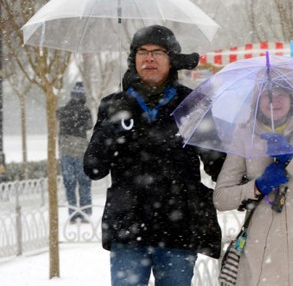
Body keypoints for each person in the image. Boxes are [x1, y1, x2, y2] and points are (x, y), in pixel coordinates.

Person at [83, 25, 225, 286]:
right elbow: (94, 168)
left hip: (179, 229)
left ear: (172, 60)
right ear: (133, 59)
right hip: (128, 229)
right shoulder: (113, 105)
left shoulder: (192, 104)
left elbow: (218, 164)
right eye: (142, 52)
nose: (149, 59)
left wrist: (253, 179)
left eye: (158, 52)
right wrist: (112, 124)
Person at [213, 79, 293, 285]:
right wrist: (258, 186)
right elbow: (221, 198)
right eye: (267, 94)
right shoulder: (244, 133)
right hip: (262, 243)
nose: (274, 100)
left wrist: (291, 158)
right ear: (257, 99)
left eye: (282, 94)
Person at [57, 81, 93, 224]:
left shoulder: (62, 110)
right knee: (84, 182)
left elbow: (59, 121)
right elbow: (89, 126)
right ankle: (85, 212)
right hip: (81, 151)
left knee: (69, 183)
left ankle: (73, 213)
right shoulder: (85, 112)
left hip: (66, 151)